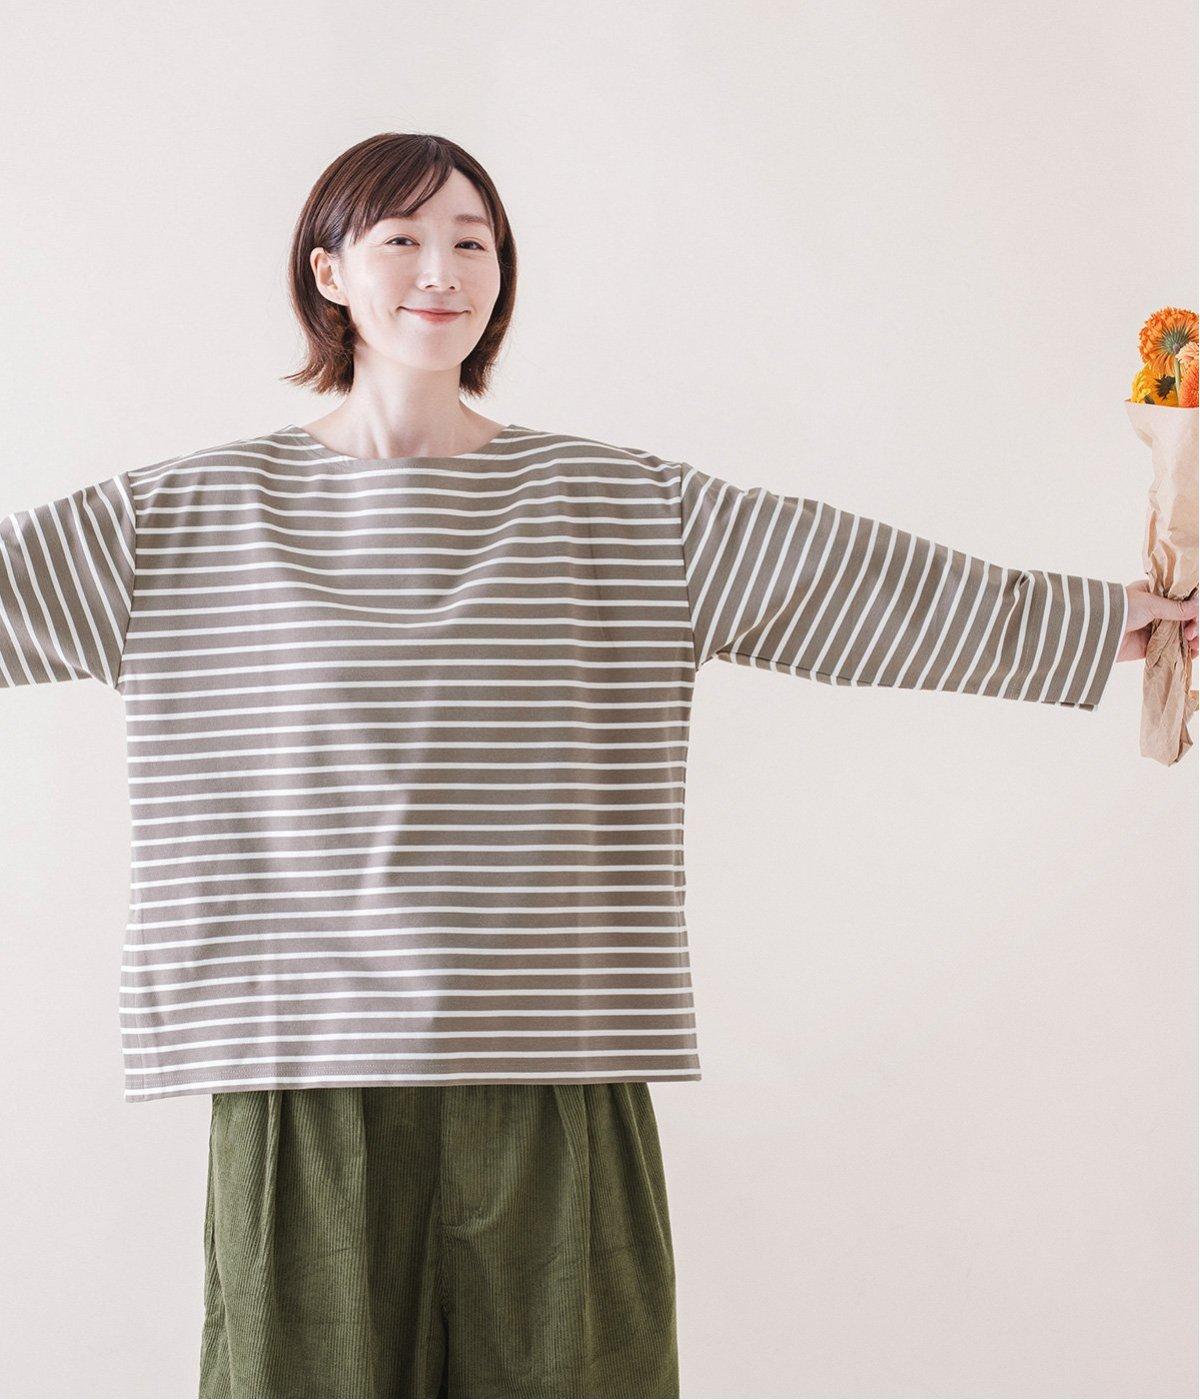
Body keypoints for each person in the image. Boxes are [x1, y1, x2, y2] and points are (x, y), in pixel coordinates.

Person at [1, 131, 1195, 1400]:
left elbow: (854, 582)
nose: (443, 270)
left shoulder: (619, 507)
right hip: (299, 1065)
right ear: (329, 271)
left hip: (558, 1053)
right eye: (402, 238)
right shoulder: (187, 516)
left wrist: (1101, 622)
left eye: (473, 242)